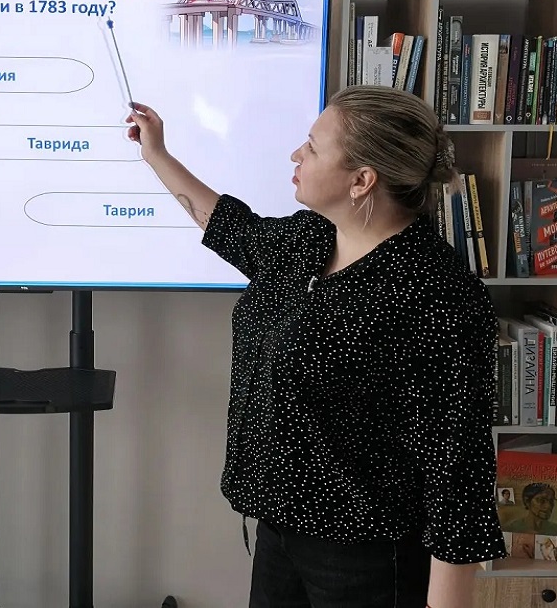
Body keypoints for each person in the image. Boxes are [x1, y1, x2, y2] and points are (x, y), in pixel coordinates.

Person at [126, 85, 506, 608]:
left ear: (362, 180)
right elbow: (233, 229)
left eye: (312, 146)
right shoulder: (310, 238)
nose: (295, 155)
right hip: (279, 531)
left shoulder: (435, 293)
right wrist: (157, 155)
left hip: (367, 557)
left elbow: (457, 473)